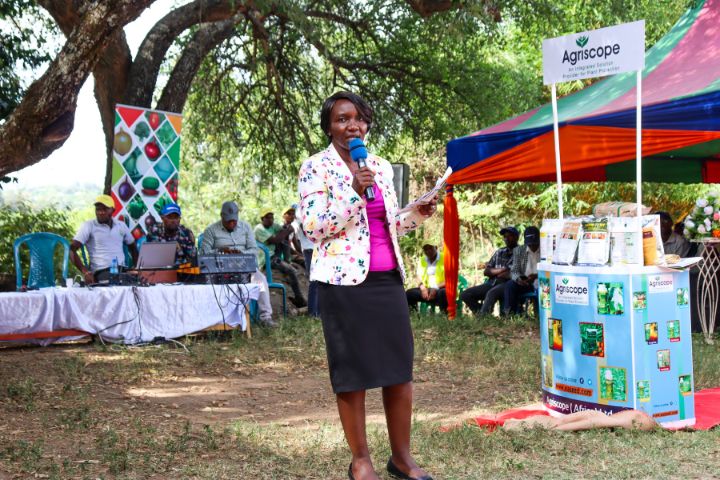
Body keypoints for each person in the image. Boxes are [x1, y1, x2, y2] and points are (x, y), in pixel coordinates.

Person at [298, 91, 437, 480]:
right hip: (343, 282)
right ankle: (361, 461)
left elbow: (389, 224)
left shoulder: (378, 165)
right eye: (342, 119)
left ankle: (402, 458)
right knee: (353, 373)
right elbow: (314, 227)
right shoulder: (316, 168)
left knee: (399, 370)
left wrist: (417, 214)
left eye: (358, 118)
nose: (352, 125)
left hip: (387, 277)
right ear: (329, 126)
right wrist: (354, 192)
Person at [200, 201, 276, 327]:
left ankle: (266, 318)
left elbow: (254, 250)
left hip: (244, 266)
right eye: (228, 221)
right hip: (221, 269)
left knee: (261, 280)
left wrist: (240, 253)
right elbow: (204, 254)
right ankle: (215, 322)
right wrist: (220, 251)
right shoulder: (211, 230)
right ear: (221, 216)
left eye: (234, 220)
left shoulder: (245, 227)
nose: (231, 223)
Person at [70, 194, 138, 284]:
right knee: (122, 281)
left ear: (113, 210)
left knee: (140, 281)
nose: (101, 212)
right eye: (98, 209)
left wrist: (136, 267)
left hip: (122, 270)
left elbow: (133, 247)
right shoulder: (89, 226)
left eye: (105, 209)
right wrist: (86, 272)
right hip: (101, 272)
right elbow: (71, 250)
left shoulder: (121, 225)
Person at [460, 227, 519, 316]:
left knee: (492, 292)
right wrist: (502, 269)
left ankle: (483, 317)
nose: (506, 239)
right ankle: (481, 312)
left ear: (516, 237)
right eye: (505, 237)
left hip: (507, 285)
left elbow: (512, 274)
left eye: (509, 236)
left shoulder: (521, 252)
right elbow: (486, 272)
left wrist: (496, 272)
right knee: (465, 294)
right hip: (491, 283)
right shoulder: (500, 252)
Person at [255, 211, 307, 308]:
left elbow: (284, 231)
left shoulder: (273, 226)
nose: (271, 220)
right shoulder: (259, 229)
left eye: (272, 217)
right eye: (268, 218)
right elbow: (275, 240)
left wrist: (287, 229)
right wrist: (287, 231)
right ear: (262, 219)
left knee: (284, 241)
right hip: (266, 258)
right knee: (291, 270)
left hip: (275, 255)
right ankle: (299, 298)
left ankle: (288, 261)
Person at [287, 204, 320, 317]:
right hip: (310, 250)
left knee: (318, 281)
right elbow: (307, 231)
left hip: (314, 249)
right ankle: (313, 312)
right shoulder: (300, 216)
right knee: (314, 281)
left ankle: (317, 310)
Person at [502, 409, 656, 432]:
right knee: (560, 422)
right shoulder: (637, 419)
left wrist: (559, 428)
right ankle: (518, 424)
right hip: (600, 417)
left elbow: (593, 421)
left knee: (560, 422)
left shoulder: (635, 420)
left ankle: (519, 424)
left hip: (600, 417)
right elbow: (594, 421)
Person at [503, 226, 540, 315]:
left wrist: (536, 275)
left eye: (534, 243)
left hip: (543, 282)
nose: (532, 246)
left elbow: (550, 271)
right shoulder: (519, 251)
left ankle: (540, 316)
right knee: (510, 285)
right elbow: (514, 271)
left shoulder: (546, 250)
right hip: (527, 284)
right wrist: (519, 280)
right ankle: (509, 315)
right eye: (529, 244)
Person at [406, 244, 447, 313]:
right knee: (409, 293)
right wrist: (422, 288)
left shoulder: (446, 258)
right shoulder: (422, 259)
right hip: (427, 289)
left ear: (436, 248)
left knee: (443, 293)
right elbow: (418, 276)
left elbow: (450, 280)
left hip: (441, 288)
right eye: (426, 249)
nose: (428, 251)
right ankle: (414, 316)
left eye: (430, 248)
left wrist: (435, 288)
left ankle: (445, 316)